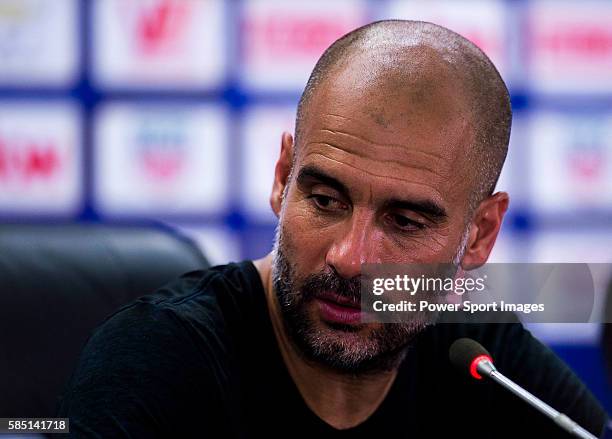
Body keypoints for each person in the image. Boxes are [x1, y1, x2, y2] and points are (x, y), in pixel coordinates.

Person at [58, 20, 608, 438]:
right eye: (324, 200)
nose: (349, 256)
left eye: (405, 222)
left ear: (481, 234)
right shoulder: (158, 361)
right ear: (282, 179)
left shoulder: (476, 356)